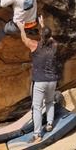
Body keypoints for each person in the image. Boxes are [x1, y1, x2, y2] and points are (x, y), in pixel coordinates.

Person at [16, 15, 60, 143]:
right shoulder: (54, 46)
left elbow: (24, 39)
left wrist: (21, 28)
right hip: (52, 80)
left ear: (41, 35)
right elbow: (49, 37)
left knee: (37, 107)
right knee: (50, 102)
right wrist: (43, 25)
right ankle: (50, 124)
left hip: (40, 82)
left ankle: (37, 134)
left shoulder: (35, 45)